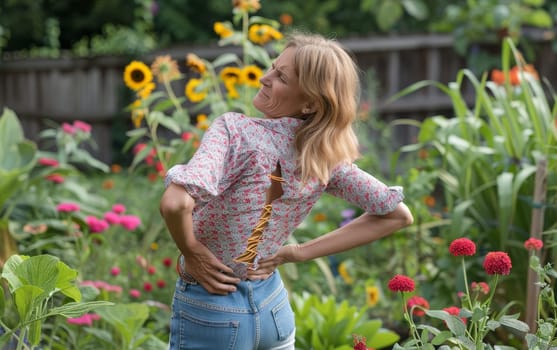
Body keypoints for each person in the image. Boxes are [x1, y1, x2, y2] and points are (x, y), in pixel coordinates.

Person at [159, 32, 414, 350]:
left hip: (214, 310)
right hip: (274, 309)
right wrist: (296, 253)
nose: (265, 78)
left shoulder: (235, 131)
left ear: (310, 102)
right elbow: (397, 215)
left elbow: (174, 203)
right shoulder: (323, 158)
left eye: (281, 77)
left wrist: (193, 252)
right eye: (272, 67)